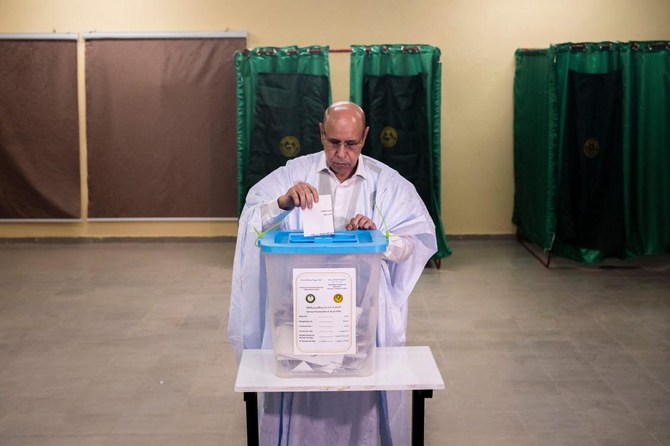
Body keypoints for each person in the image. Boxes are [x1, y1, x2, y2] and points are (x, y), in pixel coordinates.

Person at [228, 101, 437, 445]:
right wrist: (283, 204)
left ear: (365, 138)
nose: (341, 154)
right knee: (303, 387)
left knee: (361, 389)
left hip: (365, 312)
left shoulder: (387, 184)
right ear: (321, 134)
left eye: (351, 144)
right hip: (301, 307)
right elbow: (252, 221)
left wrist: (380, 238)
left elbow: (415, 244)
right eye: (333, 142)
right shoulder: (293, 174)